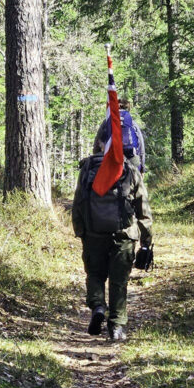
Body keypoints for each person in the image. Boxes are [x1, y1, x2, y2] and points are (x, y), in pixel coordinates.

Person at [72, 148, 153, 341]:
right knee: (119, 281)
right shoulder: (130, 170)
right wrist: (146, 241)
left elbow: (79, 201)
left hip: (93, 233)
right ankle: (116, 326)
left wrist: (81, 231)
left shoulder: (88, 167)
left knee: (95, 274)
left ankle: (98, 306)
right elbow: (143, 208)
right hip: (124, 234)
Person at [93, 98, 146, 174]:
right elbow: (141, 147)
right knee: (138, 181)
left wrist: (96, 156)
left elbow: (97, 143)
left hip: (109, 156)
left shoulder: (107, 121)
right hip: (130, 156)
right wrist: (142, 169)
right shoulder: (132, 123)